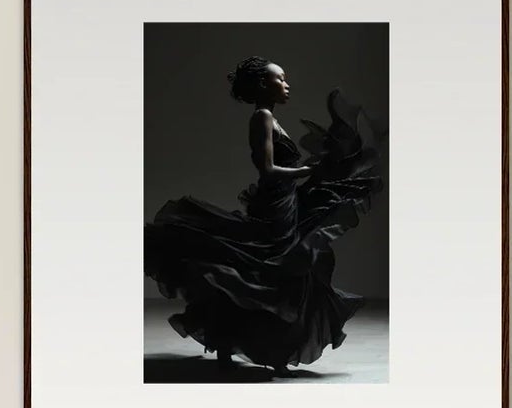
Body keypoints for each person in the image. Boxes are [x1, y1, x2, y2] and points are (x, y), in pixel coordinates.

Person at [144, 56, 383, 374]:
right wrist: (306, 170)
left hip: (284, 201)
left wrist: (309, 172)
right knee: (271, 270)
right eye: (280, 79)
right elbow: (267, 169)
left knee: (279, 269)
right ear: (261, 85)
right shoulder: (262, 119)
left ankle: (255, 344)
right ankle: (254, 345)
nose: (287, 84)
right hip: (274, 206)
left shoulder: (271, 119)